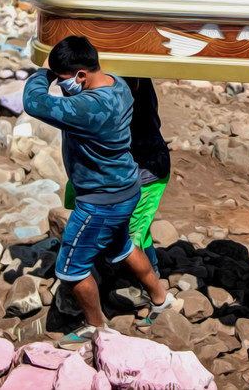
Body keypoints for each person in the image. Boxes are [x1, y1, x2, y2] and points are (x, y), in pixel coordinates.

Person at [23, 36, 182, 350]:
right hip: (125, 189)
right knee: (121, 248)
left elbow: (34, 102)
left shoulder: (89, 107)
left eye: (66, 79)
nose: (63, 84)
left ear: (82, 75)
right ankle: (162, 299)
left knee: (70, 270)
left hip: (100, 201)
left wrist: (44, 73)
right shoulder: (119, 85)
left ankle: (97, 328)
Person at [106, 77, 171, 308]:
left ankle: (151, 286)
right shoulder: (123, 84)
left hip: (147, 170)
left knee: (134, 233)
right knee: (135, 228)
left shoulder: (125, 91)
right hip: (129, 169)